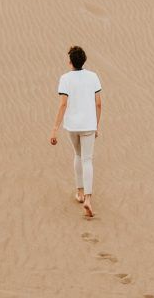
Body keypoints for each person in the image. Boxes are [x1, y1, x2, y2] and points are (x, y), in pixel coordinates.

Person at [50, 44, 102, 217]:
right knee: (88, 160)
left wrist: (55, 129)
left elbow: (63, 104)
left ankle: (79, 192)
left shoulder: (65, 78)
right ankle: (88, 198)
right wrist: (97, 125)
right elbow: (99, 103)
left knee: (78, 156)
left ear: (70, 61)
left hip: (72, 125)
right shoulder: (93, 76)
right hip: (89, 124)